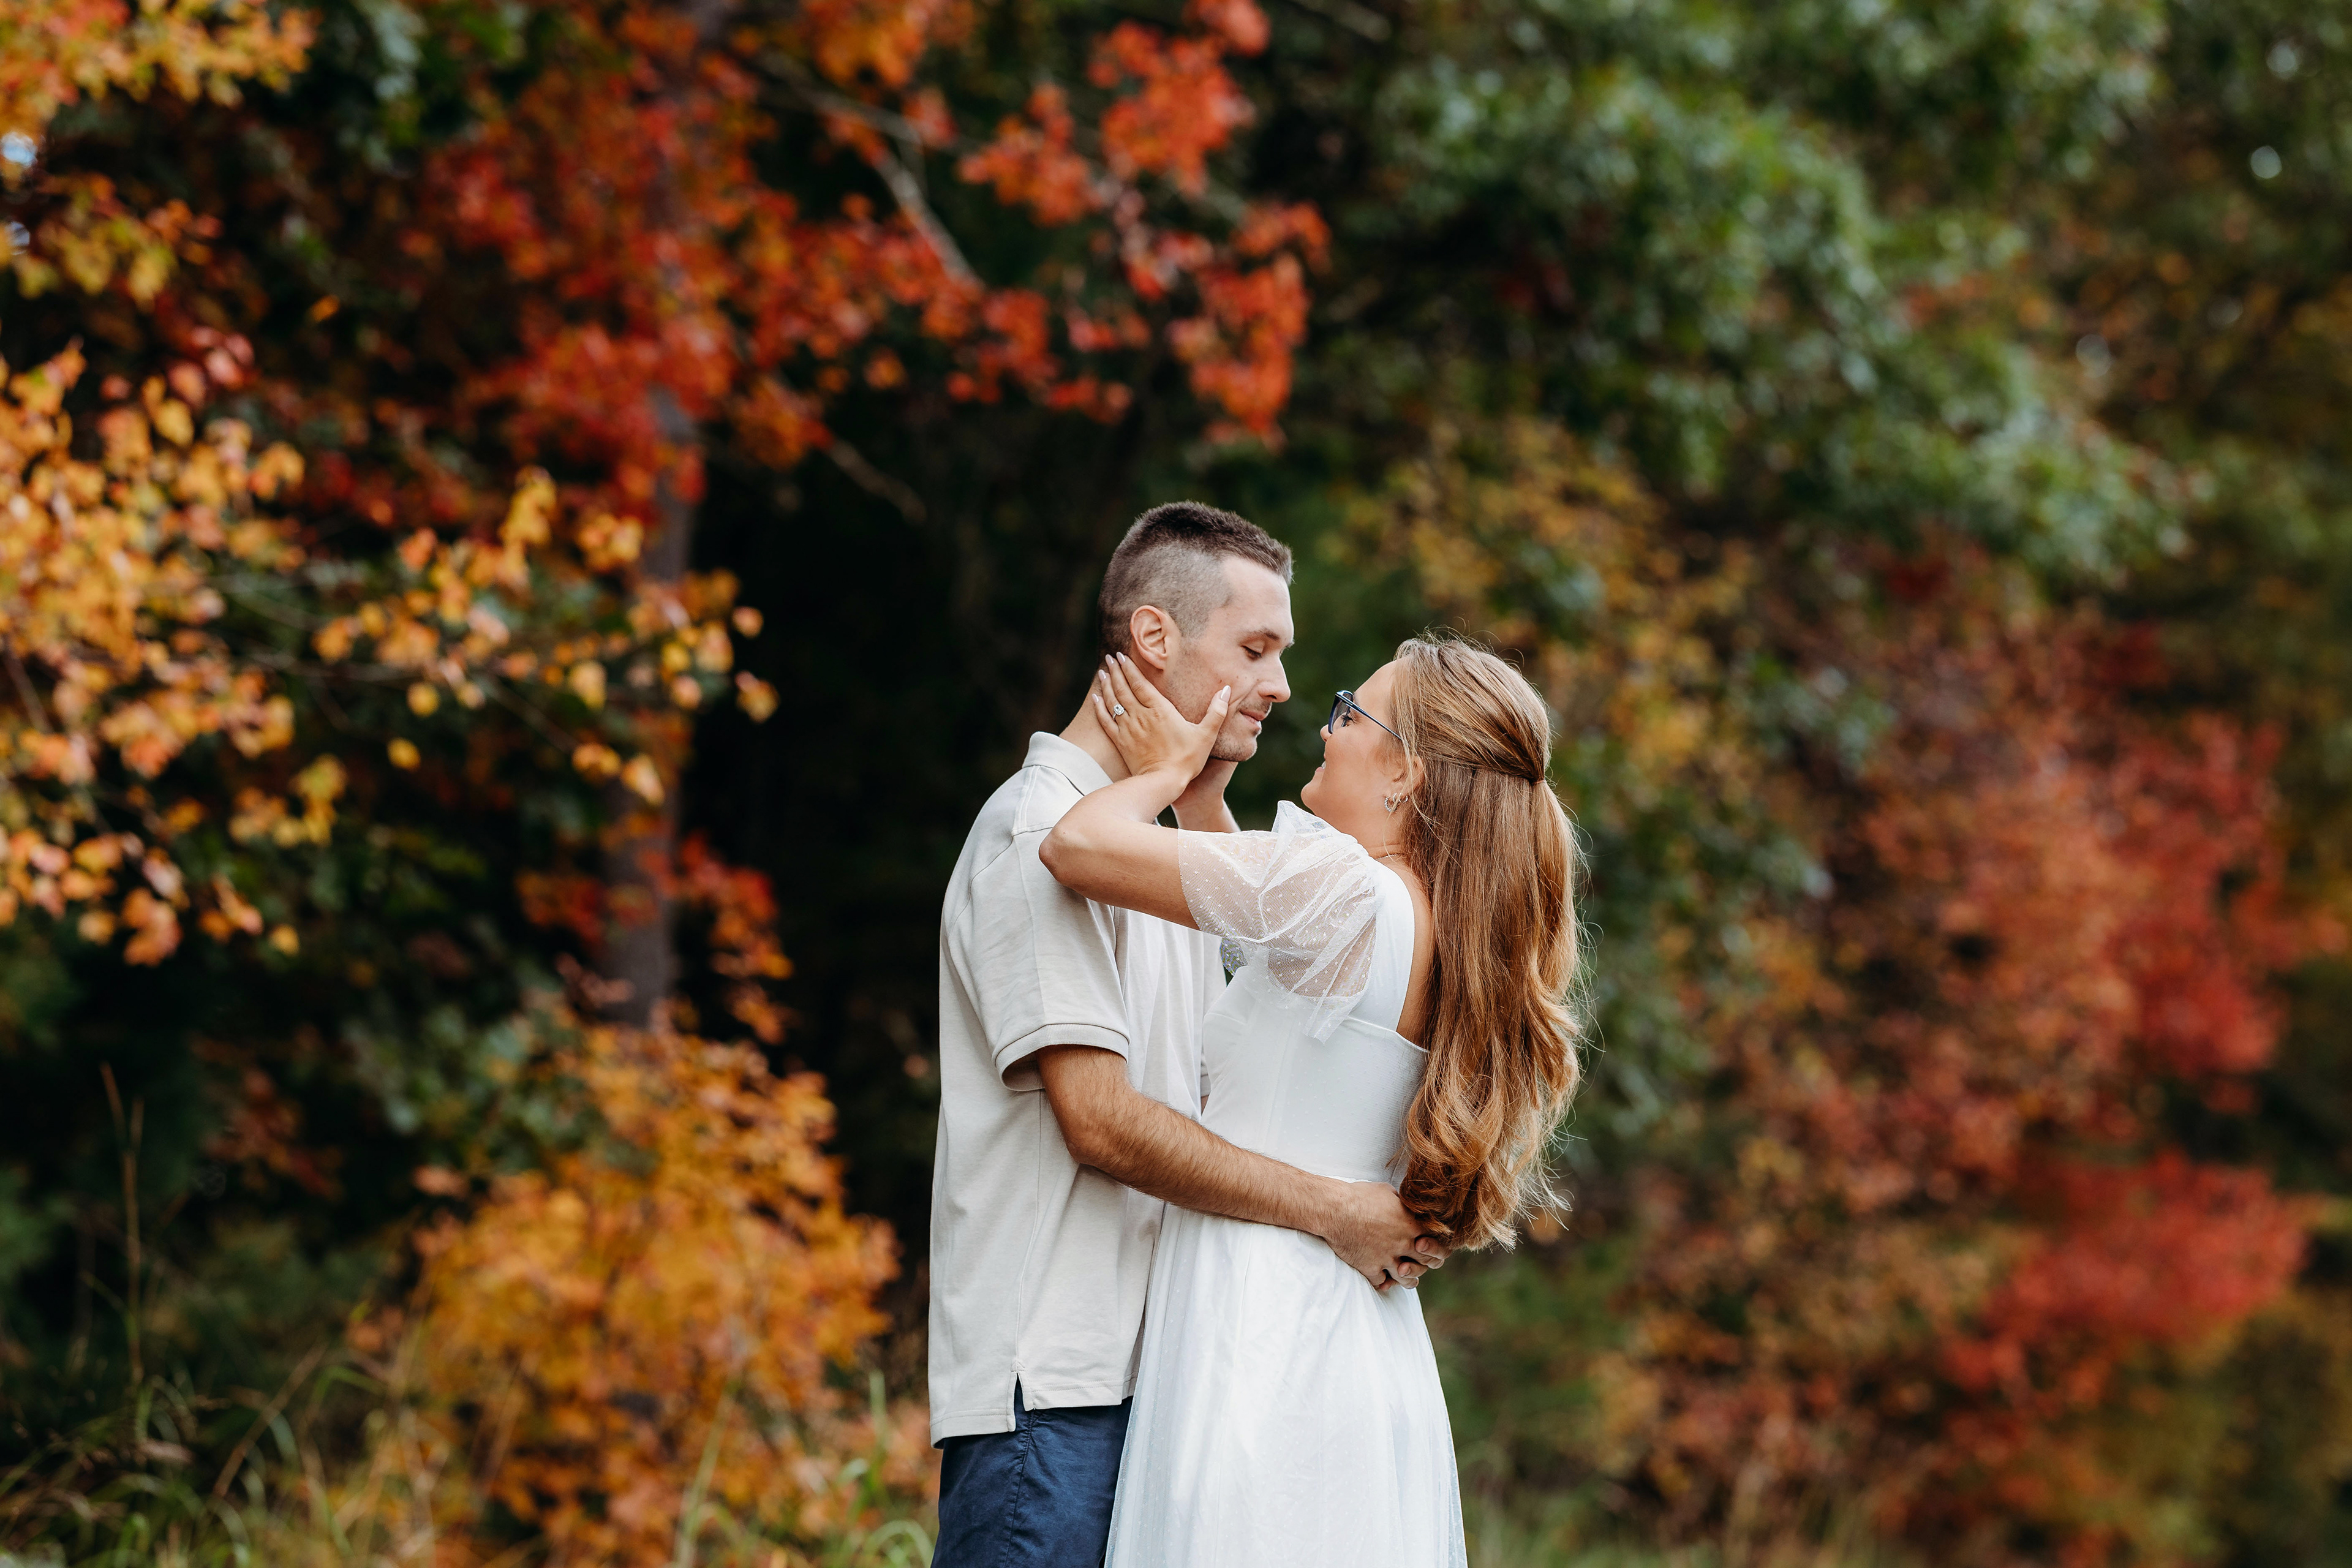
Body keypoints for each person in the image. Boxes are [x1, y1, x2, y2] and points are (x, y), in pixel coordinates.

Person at [929, 502, 1449, 1568]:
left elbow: (1237, 1065)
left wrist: (1192, 789)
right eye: (1256, 649)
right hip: (1052, 1394)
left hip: (1151, 1379)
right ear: (1155, 640)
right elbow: (1105, 1125)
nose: (1284, 687)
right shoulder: (1038, 835)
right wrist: (1336, 1211)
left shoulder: (1143, 851)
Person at [1041, 635, 1585, 1568]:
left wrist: (1163, 772)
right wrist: (1204, 802)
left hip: (1259, 1334)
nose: (1327, 731)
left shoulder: (1343, 893)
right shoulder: (1447, 931)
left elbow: (1076, 845)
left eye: (1349, 713)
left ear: (1405, 773)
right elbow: (1288, 995)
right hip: (1357, 1346)